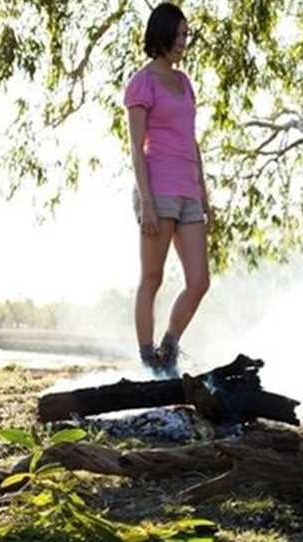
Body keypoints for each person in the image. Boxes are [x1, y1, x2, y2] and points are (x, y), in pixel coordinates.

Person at [124, 2, 210, 375]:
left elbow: (192, 140)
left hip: (188, 190)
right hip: (157, 190)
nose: (183, 42)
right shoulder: (141, 83)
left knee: (199, 281)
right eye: (178, 35)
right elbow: (136, 148)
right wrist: (147, 204)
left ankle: (169, 348)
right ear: (160, 35)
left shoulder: (185, 82)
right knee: (152, 278)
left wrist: (203, 188)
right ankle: (148, 361)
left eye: (186, 35)